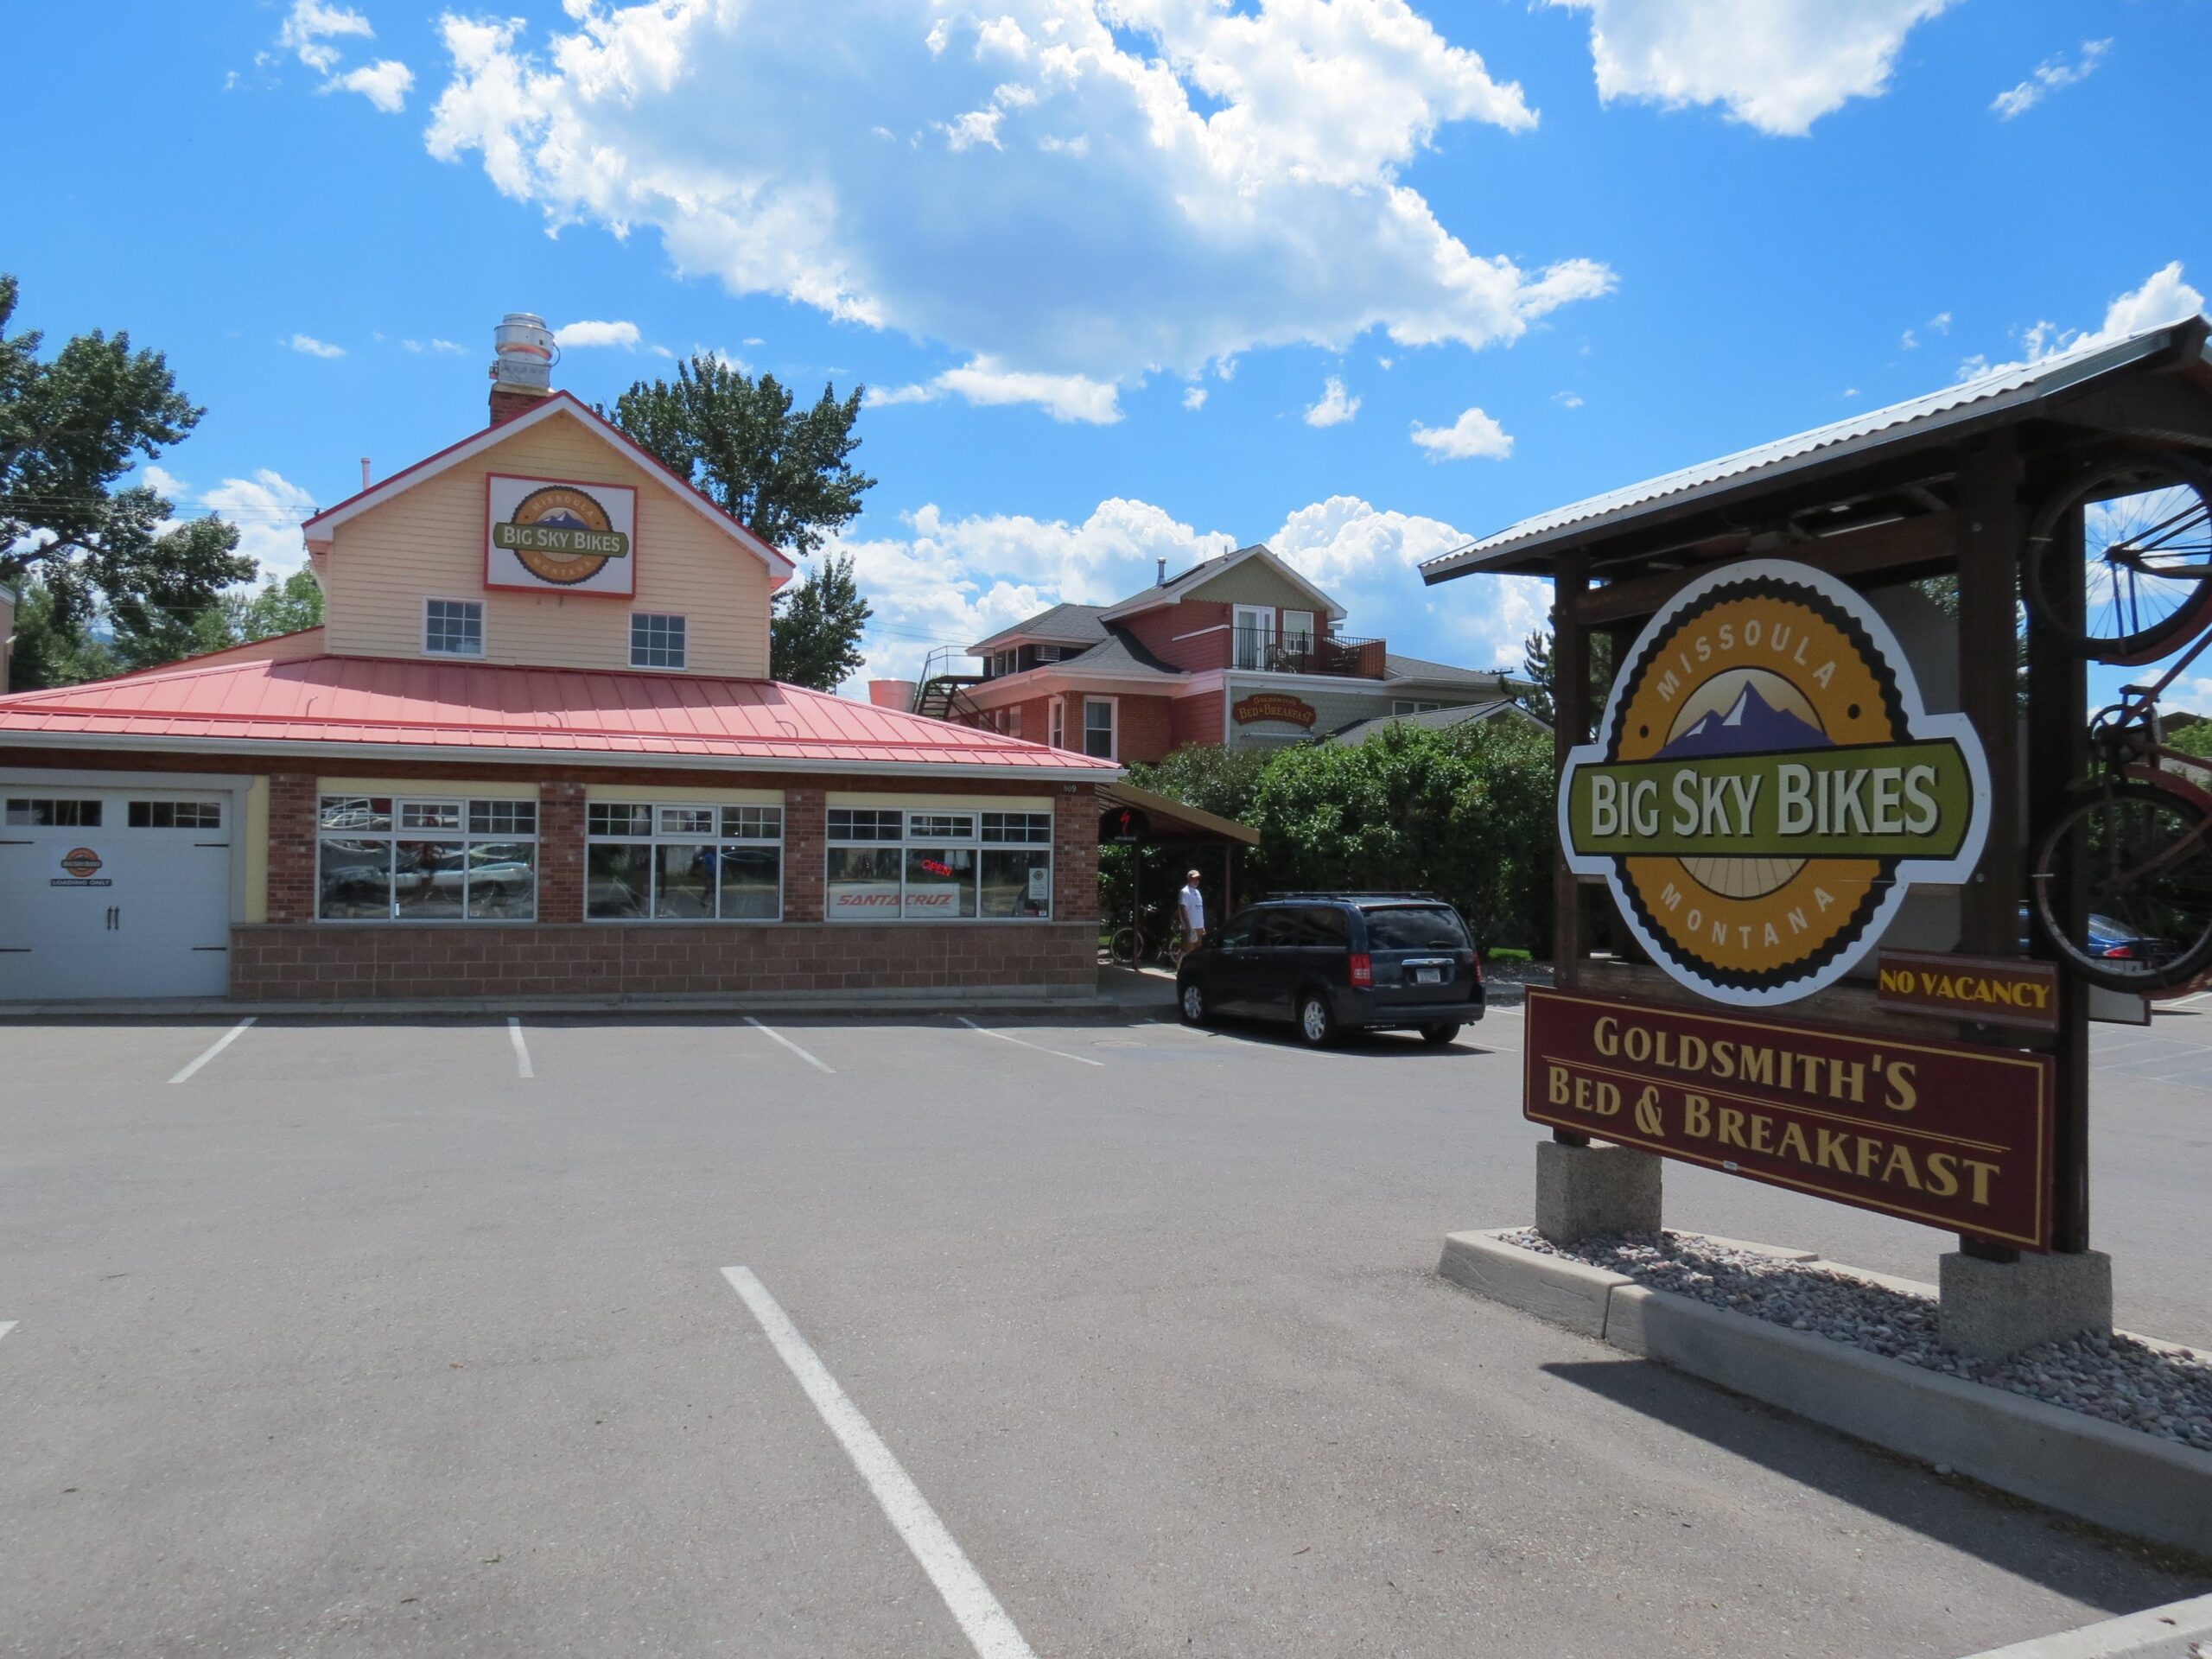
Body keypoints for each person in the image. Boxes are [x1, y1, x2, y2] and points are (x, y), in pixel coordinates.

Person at [1175, 870, 1206, 962]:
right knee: (1184, 951)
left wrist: (1202, 926)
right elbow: (1183, 909)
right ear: (1189, 879)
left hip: (1199, 928)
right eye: (1194, 879)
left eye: (1198, 879)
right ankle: (1179, 971)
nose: (1196, 881)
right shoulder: (1184, 892)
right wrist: (1188, 927)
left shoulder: (1197, 892)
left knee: (1197, 952)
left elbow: (1199, 910)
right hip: (1190, 928)